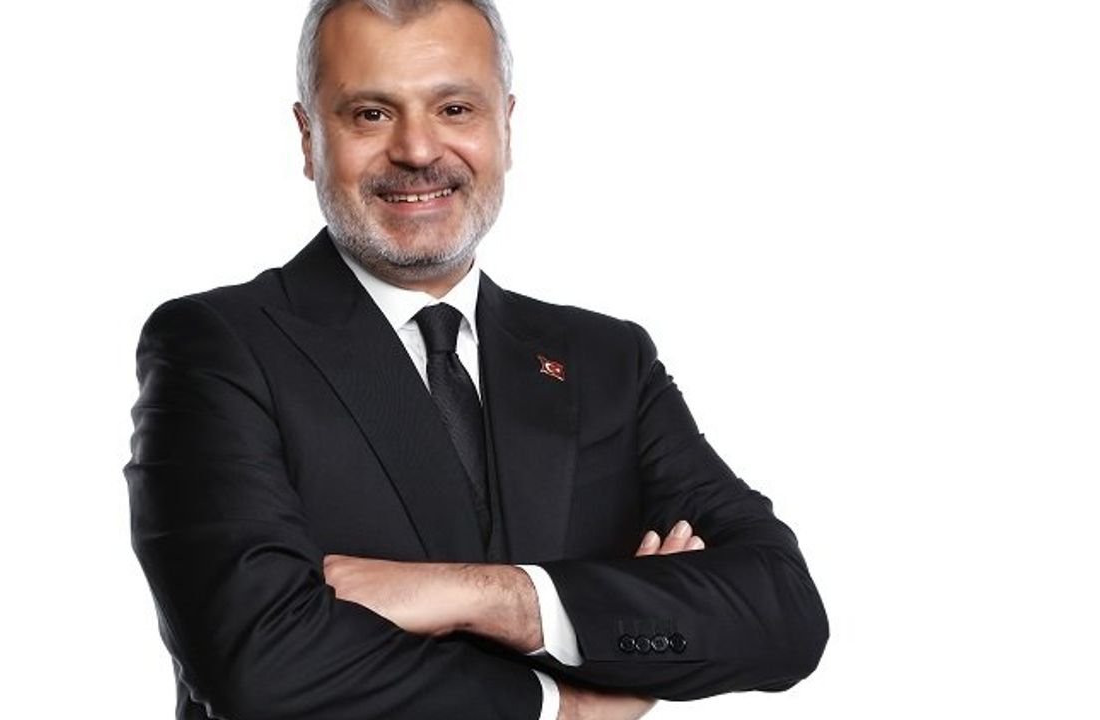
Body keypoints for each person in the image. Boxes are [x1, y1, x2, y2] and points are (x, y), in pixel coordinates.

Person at [124, 1, 828, 718]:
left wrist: (492, 598)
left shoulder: (606, 361)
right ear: (309, 139)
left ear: (506, 127)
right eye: (371, 114)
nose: (417, 150)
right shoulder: (217, 347)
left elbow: (784, 613)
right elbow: (259, 665)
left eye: (455, 108)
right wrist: (564, 705)